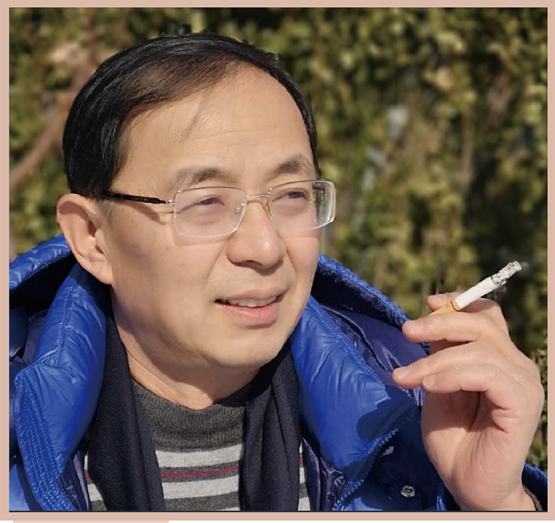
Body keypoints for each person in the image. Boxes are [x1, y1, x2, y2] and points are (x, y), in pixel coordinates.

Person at [9, 32, 547, 512]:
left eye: (291, 195)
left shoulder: (412, 417)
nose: (265, 248)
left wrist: (493, 502)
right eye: (205, 202)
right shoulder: (16, 431)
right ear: (92, 237)